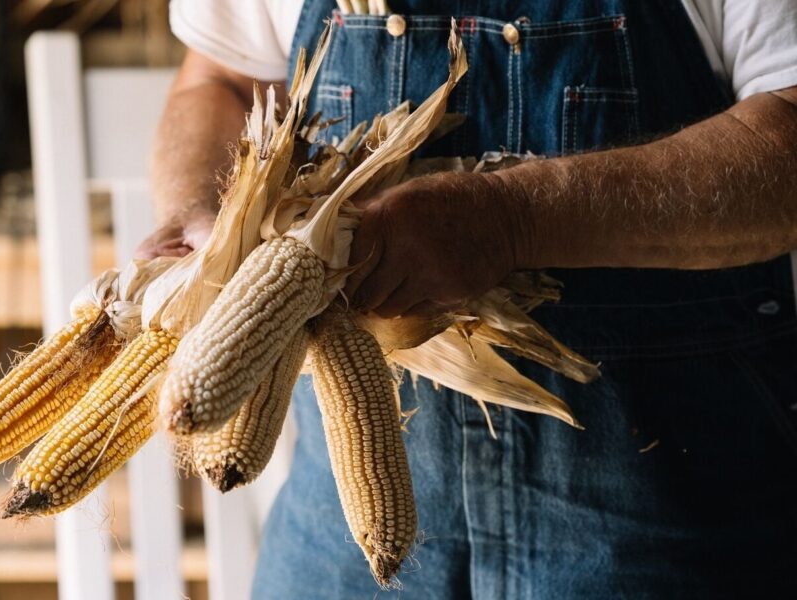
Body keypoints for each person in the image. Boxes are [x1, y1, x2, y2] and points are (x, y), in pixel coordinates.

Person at [138, 1, 797, 598]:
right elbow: (220, 80)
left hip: (667, 527)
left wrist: (513, 220)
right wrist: (201, 205)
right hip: (345, 532)